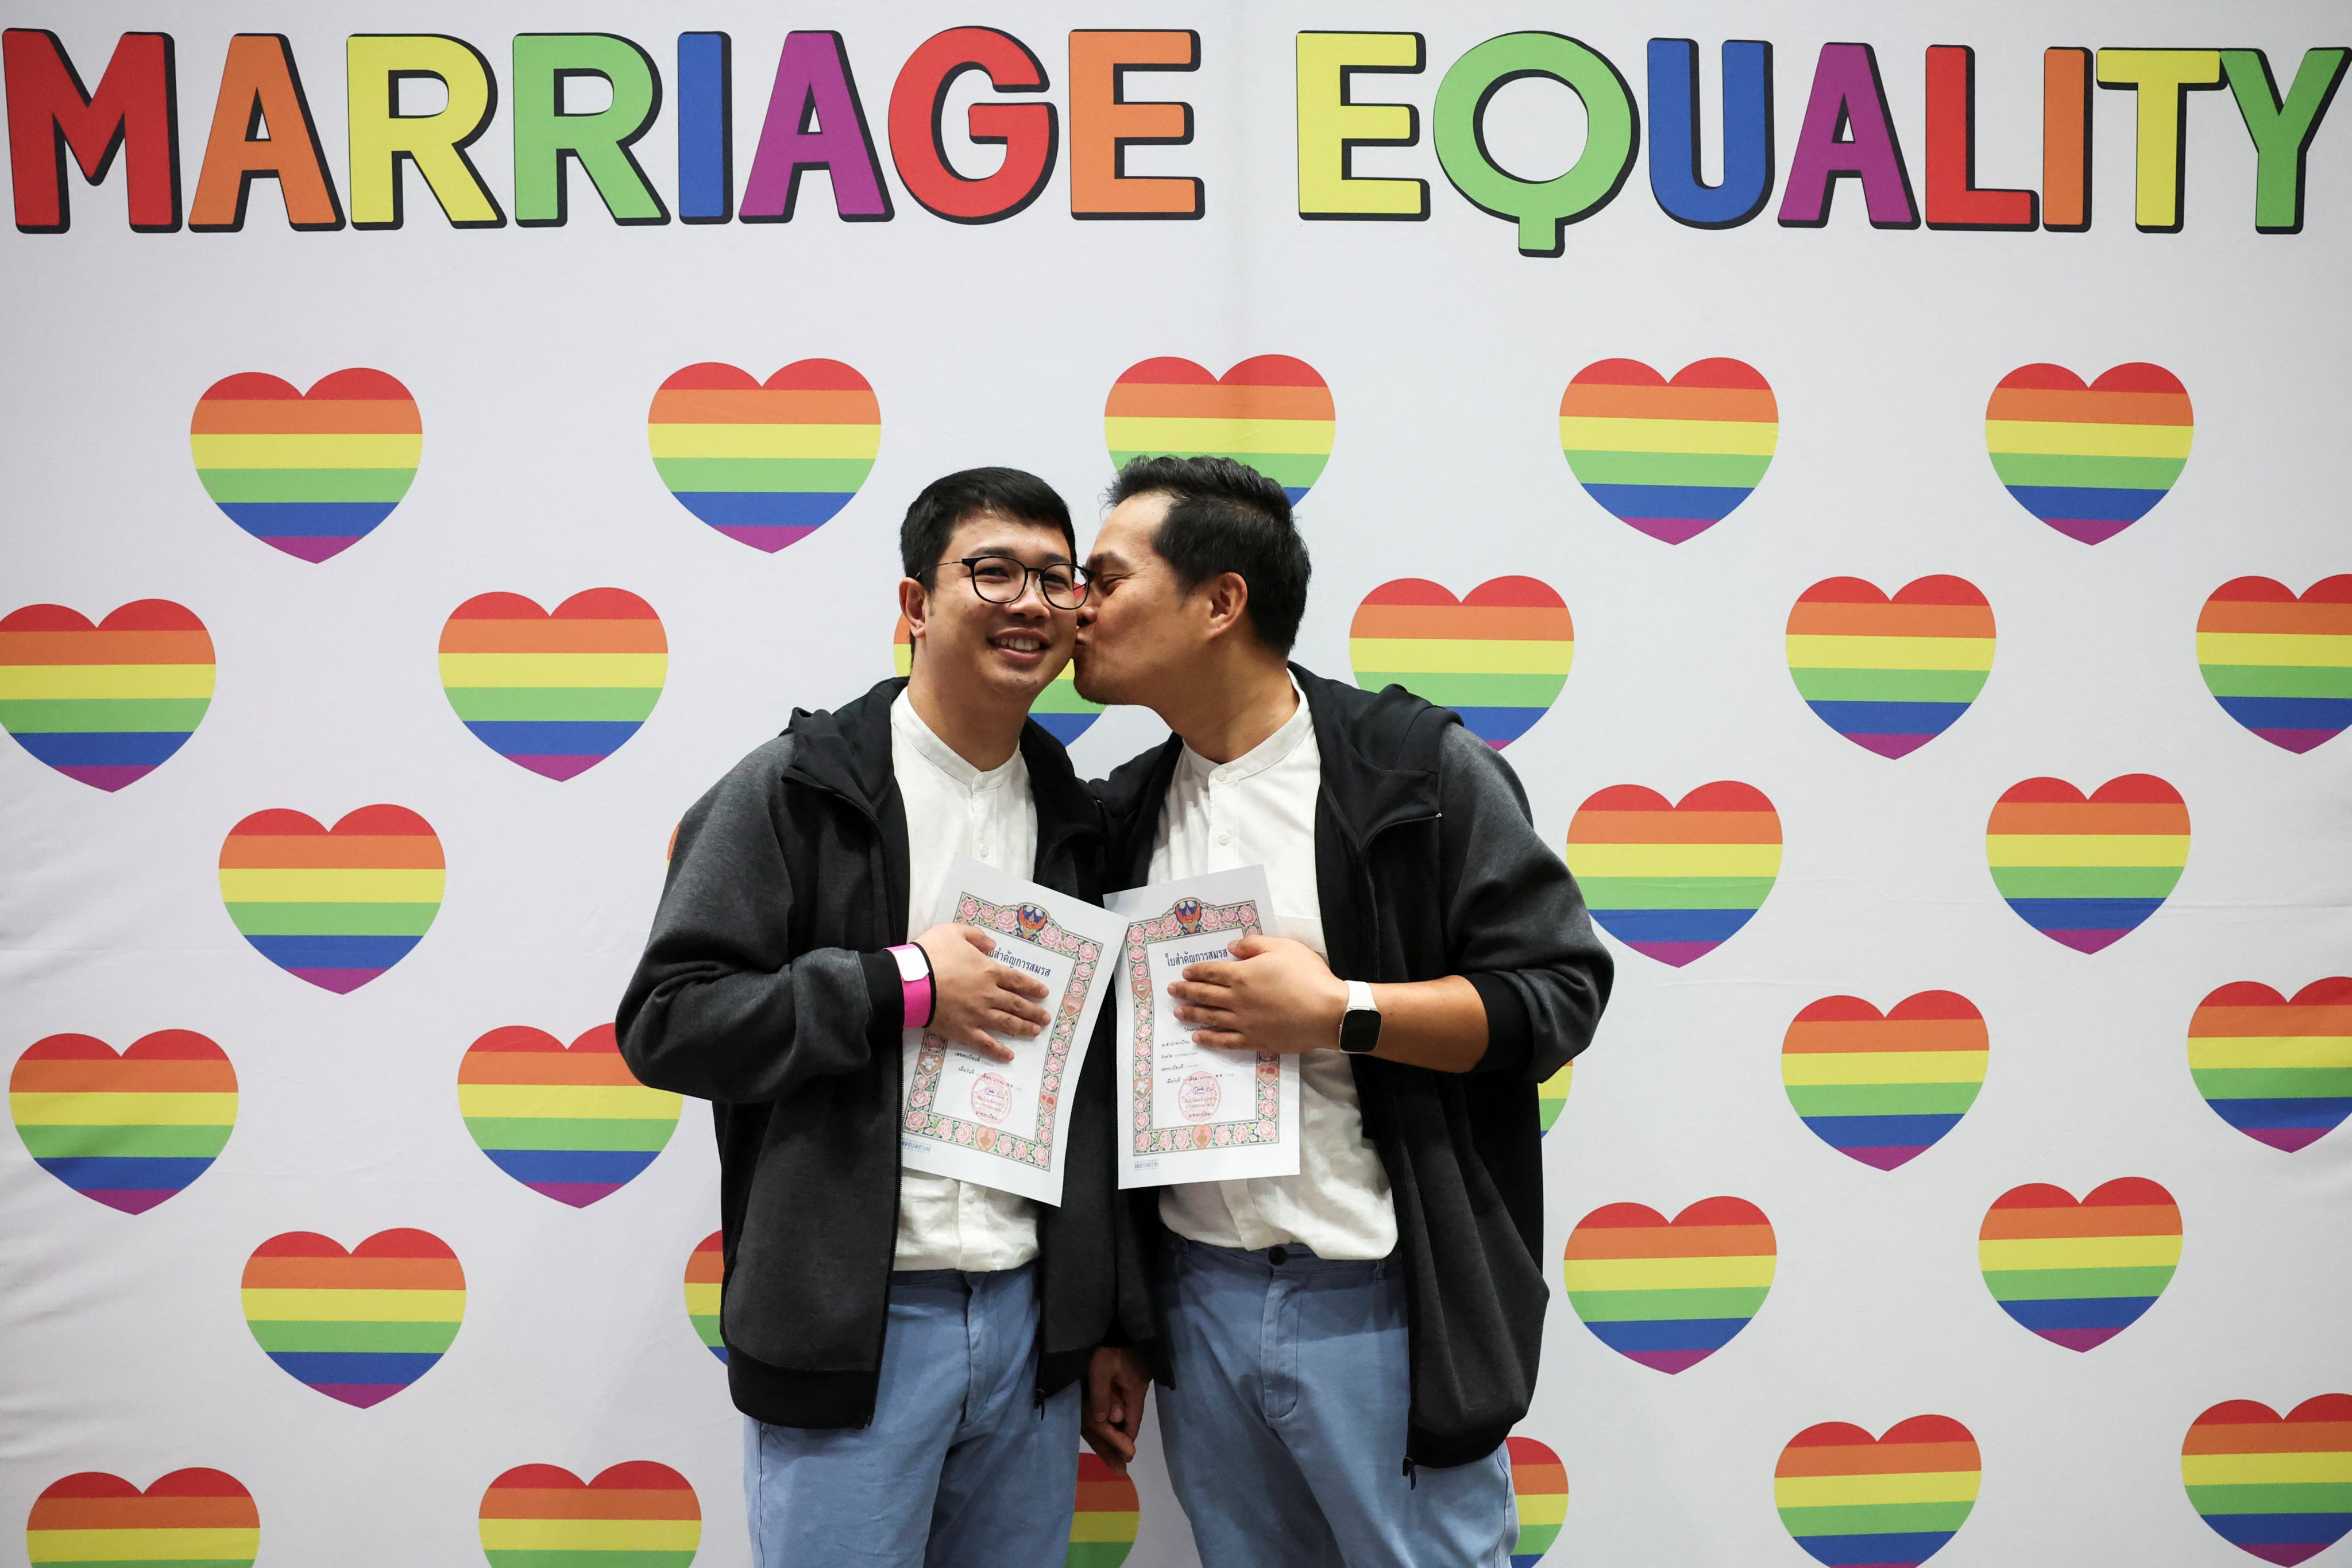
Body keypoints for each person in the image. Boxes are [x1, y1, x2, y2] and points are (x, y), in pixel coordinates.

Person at [1073, 455, 1613, 1567]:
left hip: (1380, 1296)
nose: (1078, 607)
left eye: (1106, 578)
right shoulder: (1122, 814)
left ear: (1220, 602)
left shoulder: (1412, 773)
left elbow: (1556, 994)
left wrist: (1340, 1012)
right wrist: (1126, 1317)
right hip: (1199, 1299)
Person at [616, 468, 1121, 1567]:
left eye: (1055, 576)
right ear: (915, 606)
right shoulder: (792, 790)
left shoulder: (1079, 814)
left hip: (1029, 1324)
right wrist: (900, 982)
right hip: (858, 1330)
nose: (1030, 601)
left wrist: (1102, 1318)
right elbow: (667, 1021)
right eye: (992, 570)